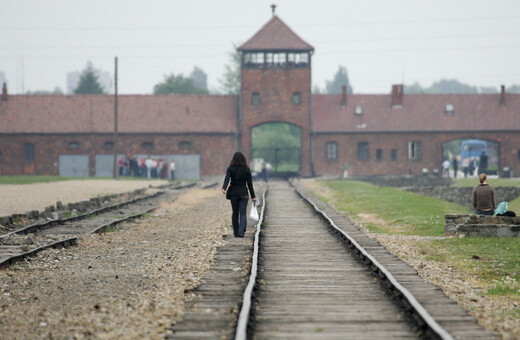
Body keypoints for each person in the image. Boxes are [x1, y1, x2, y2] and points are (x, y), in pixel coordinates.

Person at [221, 152, 257, 238]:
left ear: (233, 159)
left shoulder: (230, 168)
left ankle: (236, 232)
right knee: (243, 212)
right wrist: (253, 196)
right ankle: (241, 232)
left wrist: (224, 188)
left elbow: (227, 179)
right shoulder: (246, 169)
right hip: (244, 193)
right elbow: (250, 184)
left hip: (233, 193)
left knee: (235, 212)